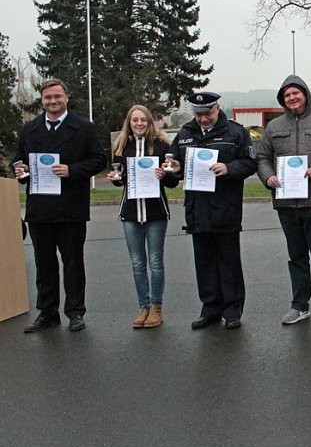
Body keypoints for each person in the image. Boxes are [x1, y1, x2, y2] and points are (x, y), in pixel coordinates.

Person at [13, 79, 107, 333]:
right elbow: (18, 158)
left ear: (66, 98)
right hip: (40, 208)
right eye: (47, 98)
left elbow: (100, 159)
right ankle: (47, 312)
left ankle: (75, 312)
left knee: (73, 263)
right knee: (44, 264)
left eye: (57, 97)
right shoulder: (29, 130)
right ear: (41, 101)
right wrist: (18, 168)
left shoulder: (84, 128)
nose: (52, 102)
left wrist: (73, 170)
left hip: (71, 207)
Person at [164, 92, 257, 330]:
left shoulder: (235, 132)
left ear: (217, 108)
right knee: (204, 263)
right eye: (199, 114)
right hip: (197, 209)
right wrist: (173, 169)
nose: (204, 119)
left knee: (229, 262)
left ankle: (232, 310)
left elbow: (249, 163)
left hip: (225, 208)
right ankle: (210, 309)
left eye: (207, 113)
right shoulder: (185, 134)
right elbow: (174, 167)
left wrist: (229, 168)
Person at [256, 75, 311, 328]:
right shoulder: (273, 127)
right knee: (296, 257)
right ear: (283, 99)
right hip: (285, 202)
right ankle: (299, 305)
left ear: (305, 95)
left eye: (296, 93)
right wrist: (268, 176)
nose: (292, 98)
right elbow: (262, 158)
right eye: (287, 95)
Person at [108, 105, 177, 329]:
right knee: (137, 262)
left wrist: (164, 175)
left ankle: (156, 306)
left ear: (149, 122)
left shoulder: (162, 146)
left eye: (143, 120)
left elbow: (173, 181)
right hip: (130, 211)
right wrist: (115, 178)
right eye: (134, 120)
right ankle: (143, 306)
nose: (139, 124)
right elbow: (120, 178)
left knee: (155, 261)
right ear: (129, 122)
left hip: (156, 211)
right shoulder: (121, 147)